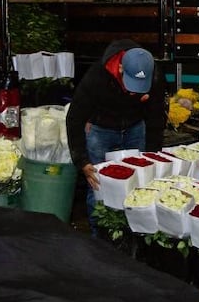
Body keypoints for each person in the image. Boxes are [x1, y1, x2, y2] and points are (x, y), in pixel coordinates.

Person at [66, 40, 166, 229]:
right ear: (120, 68)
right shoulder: (97, 76)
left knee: (139, 182)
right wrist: (82, 161)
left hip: (135, 127)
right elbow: (75, 118)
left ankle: (132, 234)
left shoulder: (155, 75)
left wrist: (153, 156)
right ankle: (98, 237)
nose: (133, 91)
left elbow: (156, 117)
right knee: (98, 187)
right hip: (100, 130)